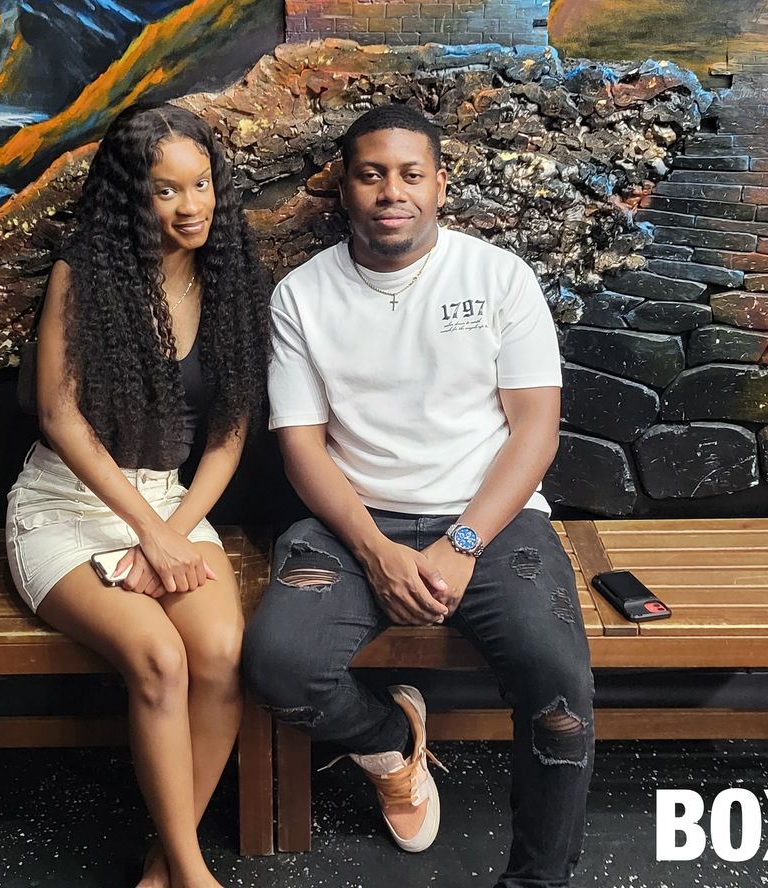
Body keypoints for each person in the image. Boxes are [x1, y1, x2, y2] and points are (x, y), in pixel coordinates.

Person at [242, 103, 594, 888]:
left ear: (440, 184)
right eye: (371, 175)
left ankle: (538, 880)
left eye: (410, 174)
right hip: (353, 521)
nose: (391, 192)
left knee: (559, 687)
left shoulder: (498, 277)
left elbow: (536, 431)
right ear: (344, 187)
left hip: (492, 521)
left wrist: (462, 543)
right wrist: (375, 552)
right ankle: (391, 744)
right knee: (276, 667)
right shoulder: (301, 296)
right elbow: (301, 446)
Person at [8, 102, 272, 888]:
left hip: (173, 504)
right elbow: (58, 415)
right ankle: (192, 874)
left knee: (222, 654)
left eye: (201, 184)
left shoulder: (235, 278)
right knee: (159, 657)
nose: (191, 206)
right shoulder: (84, 276)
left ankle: (162, 870)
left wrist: (171, 534)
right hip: (67, 502)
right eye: (166, 190)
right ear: (132, 197)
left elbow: (230, 434)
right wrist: (148, 534)